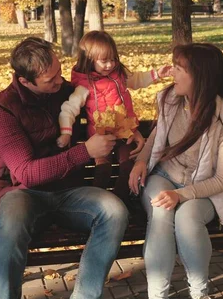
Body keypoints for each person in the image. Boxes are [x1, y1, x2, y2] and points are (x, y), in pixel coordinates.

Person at [0, 37, 129, 299]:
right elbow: (27, 173)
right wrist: (85, 151)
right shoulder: (2, 110)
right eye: (50, 80)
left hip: (70, 190)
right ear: (25, 81)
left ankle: (85, 296)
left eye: (59, 73)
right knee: (11, 225)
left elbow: (108, 101)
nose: (60, 82)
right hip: (23, 192)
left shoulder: (66, 92)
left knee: (114, 211)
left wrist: (128, 131)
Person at [128, 43, 223, 299]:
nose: (171, 73)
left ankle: (199, 293)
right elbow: (157, 135)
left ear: (200, 77)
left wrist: (182, 195)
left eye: (179, 68)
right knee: (160, 212)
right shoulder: (170, 99)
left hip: (205, 187)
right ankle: (157, 296)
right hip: (164, 176)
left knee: (187, 219)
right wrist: (141, 161)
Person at [57, 30, 170, 207]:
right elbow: (69, 110)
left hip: (125, 133)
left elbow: (137, 80)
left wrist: (156, 74)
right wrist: (66, 133)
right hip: (101, 137)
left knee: (127, 166)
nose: (110, 64)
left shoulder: (120, 74)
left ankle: (120, 201)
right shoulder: (84, 86)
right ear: (89, 60)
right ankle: (96, 204)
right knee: (103, 169)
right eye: (104, 61)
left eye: (113, 59)